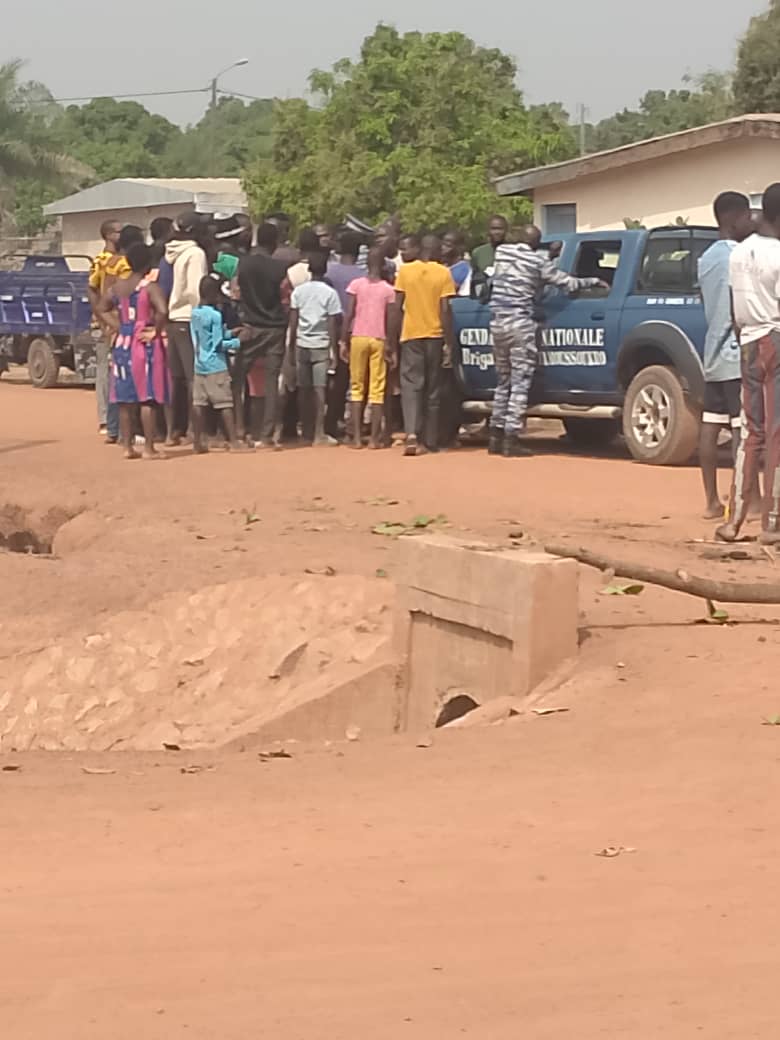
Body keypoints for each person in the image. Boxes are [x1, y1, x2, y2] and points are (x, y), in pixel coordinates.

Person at [489, 225, 605, 458]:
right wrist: (593, 281)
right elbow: (567, 283)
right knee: (520, 383)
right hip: (520, 326)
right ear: (536, 243)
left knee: (503, 382)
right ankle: (511, 439)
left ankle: (495, 435)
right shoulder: (537, 262)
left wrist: (547, 256)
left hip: (498, 325)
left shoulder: (502, 253)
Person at [718, 183, 780, 545]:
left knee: (751, 431)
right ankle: (772, 523)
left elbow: (733, 306)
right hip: (775, 337)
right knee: (775, 432)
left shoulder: (738, 252)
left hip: (748, 342)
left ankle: (734, 520)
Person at [698, 192, 756, 520]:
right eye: (748, 216)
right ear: (734, 219)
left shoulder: (706, 258)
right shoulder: (739, 256)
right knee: (740, 429)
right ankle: (744, 499)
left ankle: (710, 501)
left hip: (712, 354)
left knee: (710, 425)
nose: (751, 221)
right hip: (736, 354)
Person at [95, 243, 169, 460]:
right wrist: (155, 330)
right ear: (148, 263)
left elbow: (101, 308)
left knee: (125, 399)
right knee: (148, 397)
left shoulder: (117, 287)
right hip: (144, 344)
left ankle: (127, 447)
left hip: (123, 343)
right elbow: (163, 310)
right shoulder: (150, 287)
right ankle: (149, 448)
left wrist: (120, 327)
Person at [392, 234, 456, 457]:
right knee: (432, 389)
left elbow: (396, 307)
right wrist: (449, 342)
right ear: (436, 250)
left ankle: (411, 433)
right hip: (435, 336)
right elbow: (445, 310)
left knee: (412, 386)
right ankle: (430, 440)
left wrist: (392, 340)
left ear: (420, 249)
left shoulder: (406, 271)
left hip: (411, 335)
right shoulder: (443, 273)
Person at [236, 222, 290, 447]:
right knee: (271, 381)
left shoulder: (243, 264)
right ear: (274, 242)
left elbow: (236, 292)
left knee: (238, 379)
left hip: (250, 327)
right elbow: (286, 298)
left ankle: (239, 430)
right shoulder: (280, 268)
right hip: (275, 328)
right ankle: (267, 436)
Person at [341, 247, 396, 449]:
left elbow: (349, 314)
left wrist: (343, 340)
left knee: (356, 387)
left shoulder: (356, 285)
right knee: (377, 390)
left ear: (367, 264)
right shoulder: (388, 290)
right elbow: (391, 320)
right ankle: (374, 439)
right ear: (383, 265)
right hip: (378, 339)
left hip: (358, 337)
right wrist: (391, 345)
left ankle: (356, 438)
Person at [288, 250, 342, 446]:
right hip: (321, 344)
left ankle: (306, 431)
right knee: (320, 390)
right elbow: (332, 324)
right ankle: (319, 432)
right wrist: (334, 351)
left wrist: (291, 347)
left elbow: (293, 321)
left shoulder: (299, 292)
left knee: (304, 390)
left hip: (302, 344)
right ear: (325, 269)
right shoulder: (330, 293)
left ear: (309, 269)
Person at [164, 212, 209, 441]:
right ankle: (194, 430)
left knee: (176, 378)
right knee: (194, 378)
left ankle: (172, 431)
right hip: (189, 318)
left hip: (173, 319)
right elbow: (195, 290)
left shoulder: (172, 252)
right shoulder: (195, 253)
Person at [190, 277, 247, 454]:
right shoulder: (215, 316)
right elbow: (218, 344)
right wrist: (238, 341)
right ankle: (234, 442)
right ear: (214, 294)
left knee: (199, 403)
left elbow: (206, 338)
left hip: (199, 364)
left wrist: (230, 333)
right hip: (216, 364)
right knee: (225, 403)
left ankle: (197, 442)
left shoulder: (195, 314)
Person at [327, 232, 366, 441]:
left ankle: (332, 421)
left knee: (337, 379)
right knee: (357, 380)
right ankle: (354, 424)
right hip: (357, 329)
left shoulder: (329, 272)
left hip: (334, 327)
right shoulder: (362, 275)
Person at [87, 219, 124, 443]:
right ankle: (104, 418)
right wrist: (102, 319)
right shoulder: (100, 261)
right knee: (104, 372)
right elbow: (92, 290)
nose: (121, 235)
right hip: (105, 323)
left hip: (120, 321)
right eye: (118, 231)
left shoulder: (122, 259)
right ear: (108, 235)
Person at [442, 230, 471, 296]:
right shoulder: (443, 265)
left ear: (459, 248)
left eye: (448, 246)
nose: (443, 248)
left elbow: (449, 290)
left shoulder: (462, 268)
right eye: (442, 244)